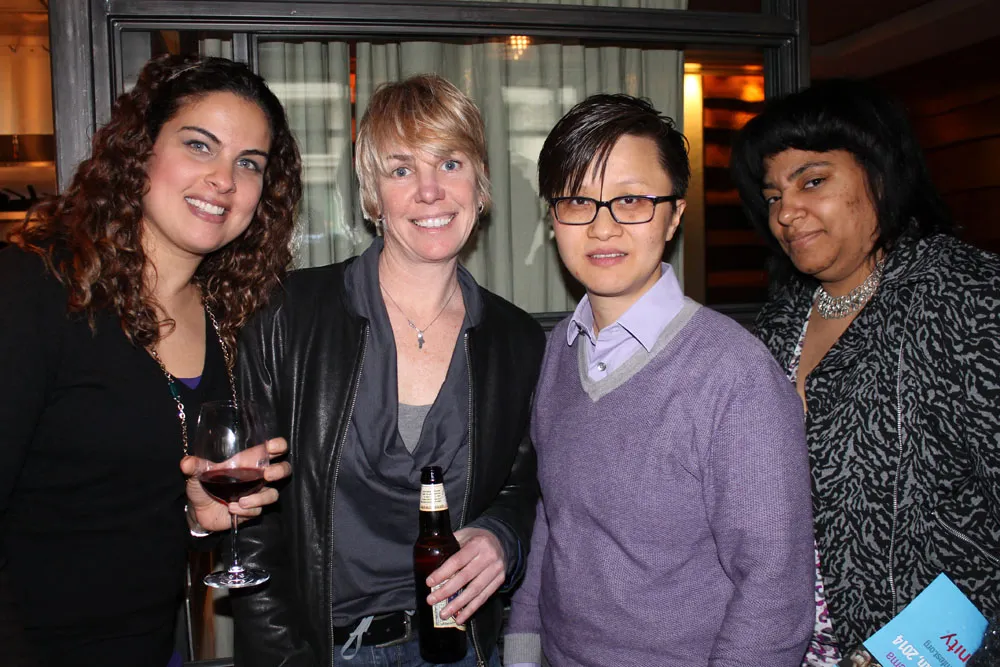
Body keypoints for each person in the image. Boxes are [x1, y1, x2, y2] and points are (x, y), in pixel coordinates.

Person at [230, 74, 545, 667]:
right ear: (372, 197)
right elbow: (250, 522)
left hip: (461, 648)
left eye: (449, 163)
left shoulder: (516, 340)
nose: (429, 191)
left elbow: (522, 486)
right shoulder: (286, 317)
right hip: (324, 652)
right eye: (401, 170)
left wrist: (501, 537)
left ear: (480, 183)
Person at [0, 54, 302, 666]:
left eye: (249, 163)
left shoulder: (226, 317)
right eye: (199, 145)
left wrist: (197, 518)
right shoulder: (34, 291)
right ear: (140, 152)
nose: (224, 179)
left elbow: (133, 508)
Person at [503, 94, 815, 667]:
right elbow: (554, 519)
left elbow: (774, 593)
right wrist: (522, 646)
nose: (602, 227)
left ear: (673, 215)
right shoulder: (558, 352)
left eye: (631, 200)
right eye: (578, 201)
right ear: (553, 219)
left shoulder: (735, 376)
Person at [731, 78, 1000, 663]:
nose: (787, 213)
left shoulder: (968, 300)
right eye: (773, 196)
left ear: (880, 172)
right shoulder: (779, 322)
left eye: (813, 181)